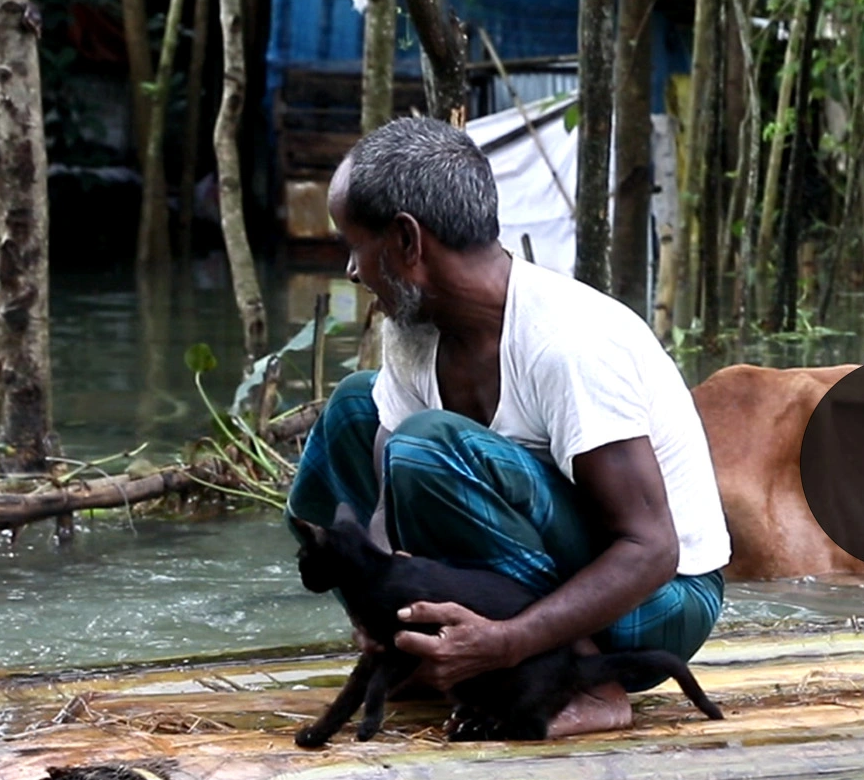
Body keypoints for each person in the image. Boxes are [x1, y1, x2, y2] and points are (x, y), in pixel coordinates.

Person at [286, 116, 731, 736]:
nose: (352, 272)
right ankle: (435, 653)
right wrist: (390, 618)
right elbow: (387, 508)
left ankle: (592, 685)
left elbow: (652, 550)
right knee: (353, 412)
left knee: (427, 450)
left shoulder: (568, 345)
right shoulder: (411, 334)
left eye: (354, 245)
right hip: (554, 584)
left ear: (408, 243)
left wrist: (511, 641)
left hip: (658, 605)